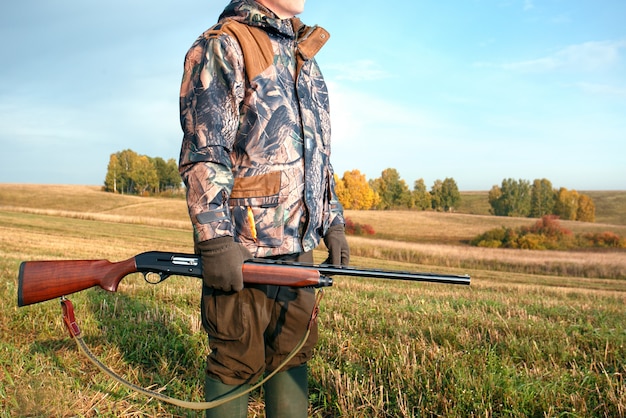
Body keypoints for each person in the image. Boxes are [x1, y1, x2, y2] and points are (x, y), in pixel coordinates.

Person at [177, 0, 349, 416]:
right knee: (236, 360)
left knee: (294, 354)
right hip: (244, 249)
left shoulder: (305, 56)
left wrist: (332, 221)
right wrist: (215, 239)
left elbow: (317, 157)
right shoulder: (225, 45)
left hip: (299, 248)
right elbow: (205, 150)